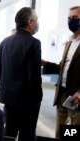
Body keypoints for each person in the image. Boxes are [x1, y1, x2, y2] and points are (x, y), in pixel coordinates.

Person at [0, 7, 42, 141]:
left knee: (8, 133)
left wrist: (7, 88)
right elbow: (33, 76)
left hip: (8, 98)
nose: (37, 23)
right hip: (27, 101)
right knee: (27, 134)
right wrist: (37, 98)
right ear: (30, 22)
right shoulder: (34, 43)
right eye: (36, 20)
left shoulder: (5, 42)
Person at [42, 6, 80, 139]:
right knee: (60, 131)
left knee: (73, 132)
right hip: (62, 94)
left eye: (75, 18)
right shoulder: (69, 42)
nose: (71, 21)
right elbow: (62, 67)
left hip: (76, 97)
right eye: (69, 18)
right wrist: (44, 63)